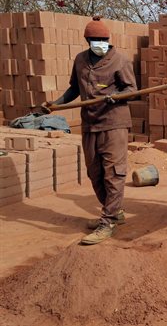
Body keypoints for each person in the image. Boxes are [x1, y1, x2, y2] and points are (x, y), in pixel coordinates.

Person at [41, 16, 137, 245]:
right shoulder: (81, 60)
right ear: (87, 40)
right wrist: (57, 104)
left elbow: (132, 90)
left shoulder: (120, 60)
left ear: (108, 39)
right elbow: (74, 88)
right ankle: (114, 210)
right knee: (95, 173)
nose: (99, 42)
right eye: (95, 39)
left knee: (114, 173)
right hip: (90, 124)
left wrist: (118, 97)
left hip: (114, 124)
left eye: (103, 39)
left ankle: (109, 221)